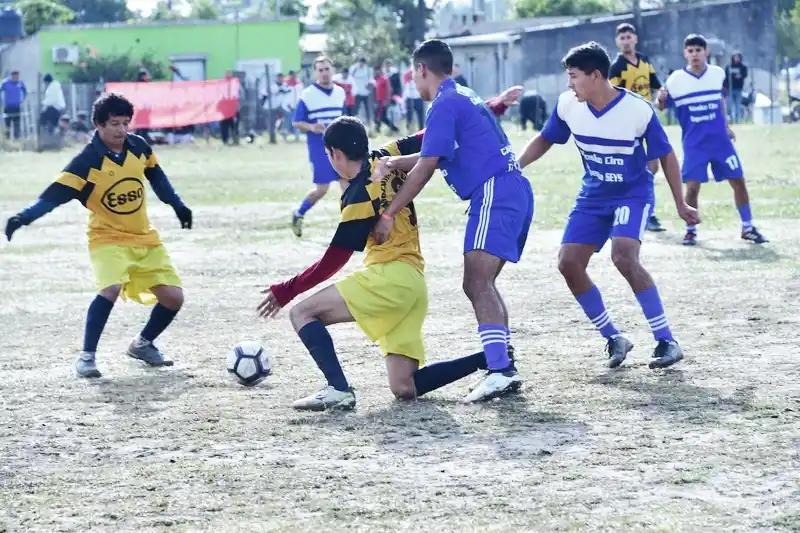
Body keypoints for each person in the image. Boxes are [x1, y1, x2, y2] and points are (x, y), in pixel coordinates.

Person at [516, 41, 699, 369]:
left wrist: (680, 203)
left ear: (596, 75)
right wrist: (516, 166)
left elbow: (666, 155)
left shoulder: (637, 110)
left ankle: (666, 340)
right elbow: (546, 139)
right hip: (593, 195)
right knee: (568, 263)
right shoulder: (568, 105)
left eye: (573, 76)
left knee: (623, 256)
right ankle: (614, 337)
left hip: (632, 194)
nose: (568, 84)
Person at [372, 39, 533, 403]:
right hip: (510, 190)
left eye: (413, 74)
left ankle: (500, 370)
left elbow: (427, 167)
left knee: (476, 281)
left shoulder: (444, 104)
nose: (413, 82)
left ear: (422, 69)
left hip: (495, 192)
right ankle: (502, 364)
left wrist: (389, 212)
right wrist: (394, 163)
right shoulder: (461, 95)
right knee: (483, 281)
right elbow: (436, 153)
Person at [4, 93, 193, 378]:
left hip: (144, 237)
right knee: (111, 289)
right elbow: (52, 197)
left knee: (173, 298)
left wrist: (178, 204)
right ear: (98, 125)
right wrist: (24, 217)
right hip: (107, 238)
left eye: (125, 123)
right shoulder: (86, 162)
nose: (121, 130)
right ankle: (87, 358)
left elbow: (158, 178)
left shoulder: (138, 147)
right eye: (114, 124)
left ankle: (142, 344)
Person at [657, 34, 768, 246]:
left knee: (738, 181)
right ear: (685, 54)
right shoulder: (676, 80)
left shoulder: (717, 74)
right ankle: (690, 230)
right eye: (690, 51)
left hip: (720, 143)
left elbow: (721, 100)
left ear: (706, 52)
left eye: (698, 50)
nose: (694, 54)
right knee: (692, 188)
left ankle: (747, 227)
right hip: (694, 144)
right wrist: (660, 99)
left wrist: (726, 126)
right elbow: (662, 105)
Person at [609, 23, 665, 233]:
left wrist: (661, 96)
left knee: (653, 166)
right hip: (627, 122)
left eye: (628, 37)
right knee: (633, 167)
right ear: (617, 42)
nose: (626, 41)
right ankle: (633, 209)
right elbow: (612, 93)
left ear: (635, 39)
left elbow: (656, 83)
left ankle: (647, 211)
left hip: (648, 119)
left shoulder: (644, 60)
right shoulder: (616, 67)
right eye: (622, 37)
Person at [291, 55, 347, 237]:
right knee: (322, 189)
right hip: (319, 147)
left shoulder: (340, 92)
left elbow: (345, 117)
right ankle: (299, 213)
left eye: (327, 69)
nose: (324, 73)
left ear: (333, 70)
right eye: (320, 70)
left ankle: (350, 227)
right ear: (316, 72)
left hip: (340, 146)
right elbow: (296, 122)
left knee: (347, 184)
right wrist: (312, 127)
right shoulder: (307, 95)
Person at [1, 70, 27, 140]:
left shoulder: (20, 83)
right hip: (8, 107)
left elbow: (24, 91)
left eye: (18, 76)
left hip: (17, 107)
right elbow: (1, 90)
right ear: (12, 76)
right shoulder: (6, 83)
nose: (17, 77)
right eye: (16, 76)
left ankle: (16, 139)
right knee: (7, 125)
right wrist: (1, 100)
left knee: (17, 125)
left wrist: (23, 99)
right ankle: (7, 140)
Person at [724, 53, 748, 124]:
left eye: (738, 57)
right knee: (730, 105)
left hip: (739, 89)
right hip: (730, 89)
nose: (736, 59)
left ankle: (737, 120)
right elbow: (726, 78)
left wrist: (740, 76)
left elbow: (745, 74)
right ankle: (731, 119)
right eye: (735, 57)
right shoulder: (729, 67)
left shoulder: (743, 67)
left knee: (738, 104)